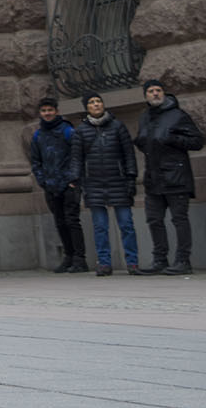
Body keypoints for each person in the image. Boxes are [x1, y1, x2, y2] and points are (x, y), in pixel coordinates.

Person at [134, 78, 203, 274]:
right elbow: (147, 141)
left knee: (179, 219)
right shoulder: (144, 117)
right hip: (153, 178)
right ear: (146, 96)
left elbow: (197, 141)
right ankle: (159, 260)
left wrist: (173, 138)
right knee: (154, 219)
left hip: (176, 177)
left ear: (164, 93)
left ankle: (183, 261)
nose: (155, 93)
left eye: (158, 90)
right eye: (151, 91)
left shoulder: (178, 115)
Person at [74, 93, 139, 276]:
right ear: (86, 107)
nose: (96, 104)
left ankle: (132, 262)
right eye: (91, 102)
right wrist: (77, 181)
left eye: (98, 101)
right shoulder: (81, 131)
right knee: (100, 227)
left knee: (126, 225)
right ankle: (104, 263)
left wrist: (131, 177)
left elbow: (129, 154)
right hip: (94, 183)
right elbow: (76, 159)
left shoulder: (117, 126)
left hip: (118, 181)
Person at [29, 97, 86, 273]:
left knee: (72, 221)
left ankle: (80, 258)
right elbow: (35, 161)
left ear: (57, 112)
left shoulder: (68, 131)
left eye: (50, 110)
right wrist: (43, 181)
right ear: (40, 113)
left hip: (68, 184)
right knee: (60, 222)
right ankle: (69, 256)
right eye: (44, 111)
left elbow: (77, 156)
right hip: (51, 186)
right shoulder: (38, 135)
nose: (47, 113)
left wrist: (73, 180)